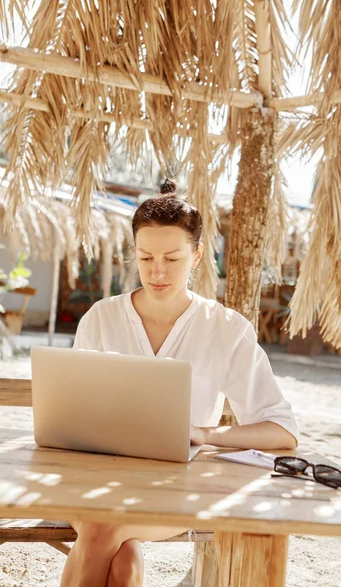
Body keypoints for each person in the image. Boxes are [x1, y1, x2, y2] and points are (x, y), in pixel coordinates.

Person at [60, 178, 299, 587]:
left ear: (198, 255)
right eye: (145, 256)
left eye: (172, 258)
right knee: (117, 547)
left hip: (175, 490)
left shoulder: (225, 329)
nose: (157, 270)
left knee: (107, 536)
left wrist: (201, 434)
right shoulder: (100, 318)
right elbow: (70, 413)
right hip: (94, 480)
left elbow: (282, 432)